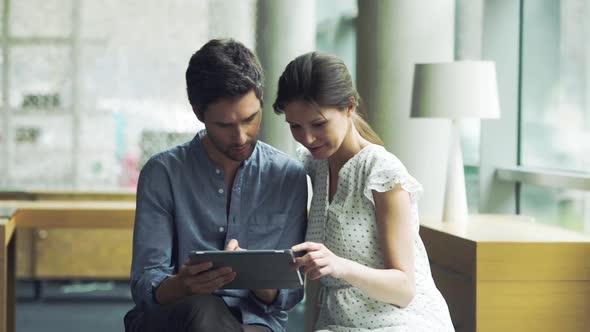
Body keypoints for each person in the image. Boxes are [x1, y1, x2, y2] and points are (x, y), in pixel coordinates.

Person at [124, 39, 308, 332]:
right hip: (177, 316)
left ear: (261, 101)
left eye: (250, 119)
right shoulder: (163, 173)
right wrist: (183, 284)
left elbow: (289, 294)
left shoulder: (289, 176)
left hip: (255, 321)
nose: (240, 137)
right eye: (225, 125)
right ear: (198, 113)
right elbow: (146, 284)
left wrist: (257, 276)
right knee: (202, 307)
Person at [272, 52, 454, 332]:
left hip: (401, 322)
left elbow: (404, 290)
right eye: (295, 126)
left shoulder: (382, 172)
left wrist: (338, 265)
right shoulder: (314, 165)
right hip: (339, 324)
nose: (307, 138)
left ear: (349, 107)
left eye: (319, 124)